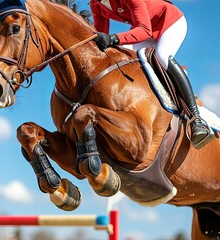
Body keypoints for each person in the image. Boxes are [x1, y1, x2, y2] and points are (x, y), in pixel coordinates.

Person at [90, 0, 212, 148]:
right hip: (145, 31)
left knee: (163, 56)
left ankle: (196, 120)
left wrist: (113, 38)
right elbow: (99, 39)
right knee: (117, 53)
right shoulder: (96, 4)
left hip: (170, 24)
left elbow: (144, 30)